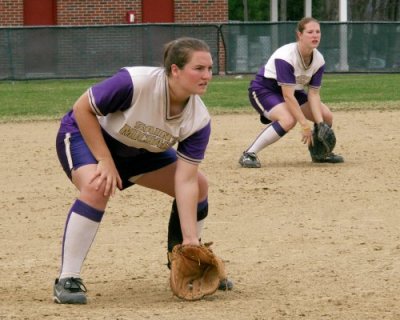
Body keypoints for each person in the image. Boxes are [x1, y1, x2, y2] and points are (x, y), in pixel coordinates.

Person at [53, 37, 232, 304]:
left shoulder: (198, 119)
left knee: (200, 186)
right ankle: (68, 278)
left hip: (142, 153)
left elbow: (185, 181)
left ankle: (183, 258)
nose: (207, 75)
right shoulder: (136, 82)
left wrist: (191, 239)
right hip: (87, 137)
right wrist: (104, 159)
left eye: (209, 68)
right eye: (199, 68)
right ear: (175, 70)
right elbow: (83, 108)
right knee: (96, 185)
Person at [239, 17, 344, 168]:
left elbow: (313, 94)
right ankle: (249, 154)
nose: (315, 35)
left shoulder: (318, 60)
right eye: (310, 32)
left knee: (326, 116)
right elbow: (288, 96)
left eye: (318, 32)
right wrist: (305, 125)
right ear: (299, 35)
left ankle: (320, 154)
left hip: (293, 92)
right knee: (288, 120)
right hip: (265, 90)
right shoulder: (286, 56)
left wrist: (320, 123)